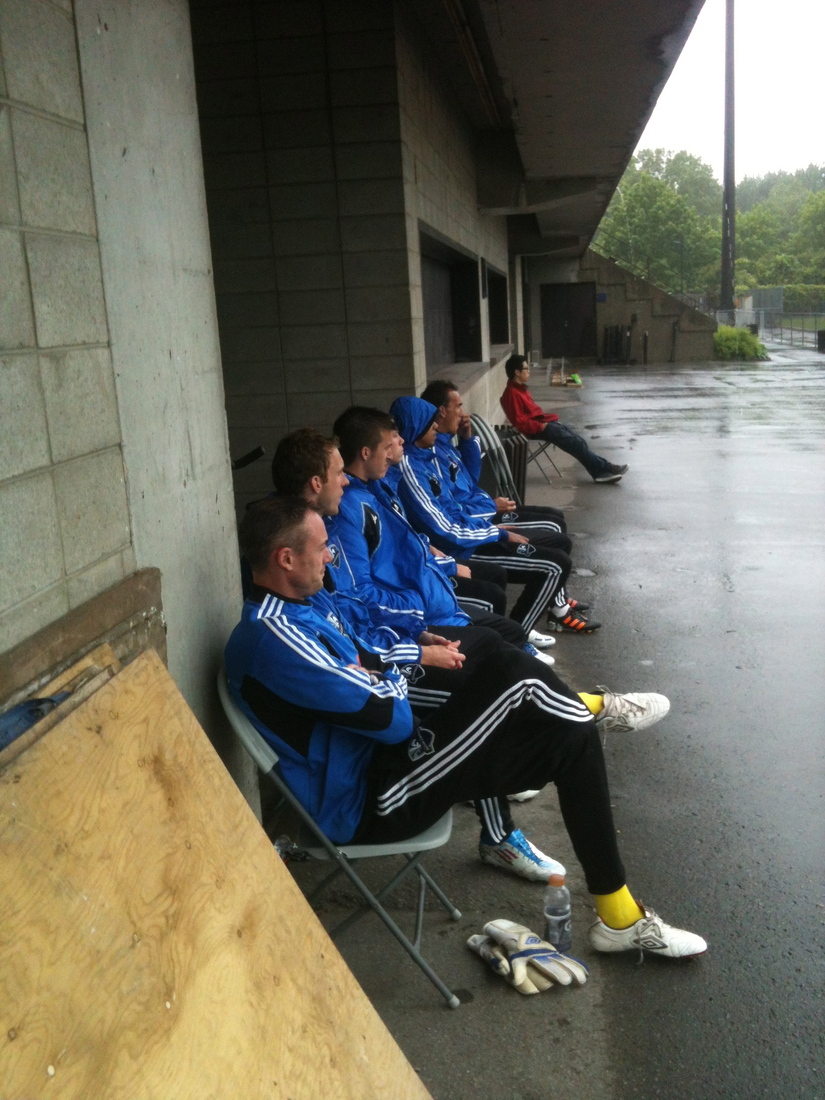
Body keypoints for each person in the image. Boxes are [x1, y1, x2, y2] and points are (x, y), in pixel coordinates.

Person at [225, 496, 707, 960]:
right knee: (524, 691)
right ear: (286, 559)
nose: (331, 556)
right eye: (322, 547)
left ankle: (617, 911)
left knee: (530, 695)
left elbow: (364, 655)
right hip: (368, 800)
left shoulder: (302, 605)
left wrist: (381, 666)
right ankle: (593, 714)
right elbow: (392, 721)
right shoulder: (274, 634)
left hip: (380, 762)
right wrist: (381, 675)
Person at [390, 395, 600, 634]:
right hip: (465, 542)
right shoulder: (409, 466)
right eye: (457, 406)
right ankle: (522, 634)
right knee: (553, 561)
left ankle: (538, 618)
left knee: (554, 528)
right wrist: (492, 527)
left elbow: (464, 490)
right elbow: (444, 524)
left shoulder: (431, 452)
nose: (461, 413)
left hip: (474, 528)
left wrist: (469, 441)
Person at [501, 355, 628, 484]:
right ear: (517, 372)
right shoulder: (512, 393)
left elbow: (529, 415)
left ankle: (605, 469)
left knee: (579, 441)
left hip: (542, 424)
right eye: (526, 368)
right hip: (537, 429)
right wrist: (542, 426)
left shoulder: (520, 390)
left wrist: (546, 422)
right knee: (576, 444)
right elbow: (520, 423)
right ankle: (603, 470)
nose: (529, 371)